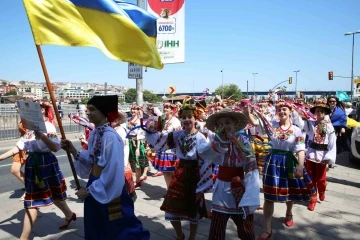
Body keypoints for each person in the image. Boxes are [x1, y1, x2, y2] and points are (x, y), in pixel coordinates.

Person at [61, 95, 149, 239]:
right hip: (96, 183)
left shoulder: (111, 137)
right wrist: (74, 151)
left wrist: (89, 191)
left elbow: (113, 171)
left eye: (92, 109)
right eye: (87, 109)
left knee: (117, 227)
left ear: (103, 112)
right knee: (97, 224)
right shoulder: (95, 133)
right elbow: (91, 159)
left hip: (109, 186)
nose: (87, 112)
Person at [0, 103, 75, 240]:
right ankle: (70, 215)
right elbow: (18, 147)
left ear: (43, 111)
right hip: (33, 165)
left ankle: (24, 237)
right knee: (45, 197)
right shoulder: (29, 130)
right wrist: (1, 157)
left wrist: (42, 136)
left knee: (38, 200)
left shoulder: (49, 126)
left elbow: (55, 147)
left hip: (46, 163)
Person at [145, 104, 213, 240]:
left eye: (190, 117)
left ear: (195, 119)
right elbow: (162, 139)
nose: (186, 120)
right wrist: (151, 130)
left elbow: (206, 163)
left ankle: (192, 237)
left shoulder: (201, 138)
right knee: (170, 207)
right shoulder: (178, 135)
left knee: (194, 209)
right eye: (184, 117)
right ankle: (179, 235)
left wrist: (202, 187)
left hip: (195, 175)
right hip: (179, 172)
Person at [259, 100, 316, 240]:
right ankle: (267, 229)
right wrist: (248, 111)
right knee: (268, 195)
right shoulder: (272, 126)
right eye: (279, 109)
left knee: (290, 191)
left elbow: (301, 149)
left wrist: (301, 166)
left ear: (290, 111)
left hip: (289, 162)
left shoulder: (296, 130)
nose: (282, 111)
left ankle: (289, 213)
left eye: (285, 109)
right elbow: (256, 124)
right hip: (272, 162)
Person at [204, 108, 260, 240]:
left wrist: (251, 192)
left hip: (239, 187)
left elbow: (251, 168)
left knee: (245, 226)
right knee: (217, 226)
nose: (224, 127)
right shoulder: (216, 141)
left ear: (235, 124)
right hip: (221, 189)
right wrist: (219, 142)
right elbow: (206, 154)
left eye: (228, 122)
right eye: (221, 124)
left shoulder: (244, 142)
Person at [305, 99, 336, 211]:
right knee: (310, 178)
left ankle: (322, 190)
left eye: (322, 111)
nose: (319, 113)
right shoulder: (311, 124)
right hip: (311, 154)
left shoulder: (329, 127)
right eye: (317, 111)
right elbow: (300, 123)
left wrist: (329, 157)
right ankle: (313, 198)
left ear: (325, 113)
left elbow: (332, 143)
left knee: (321, 179)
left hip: (322, 156)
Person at [0, 104, 28, 201]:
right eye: (16, 107)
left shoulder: (29, 119)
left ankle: (30, 190)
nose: (16, 109)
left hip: (28, 147)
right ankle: (29, 187)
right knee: (14, 170)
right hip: (21, 145)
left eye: (18, 107)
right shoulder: (22, 117)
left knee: (32, 173)